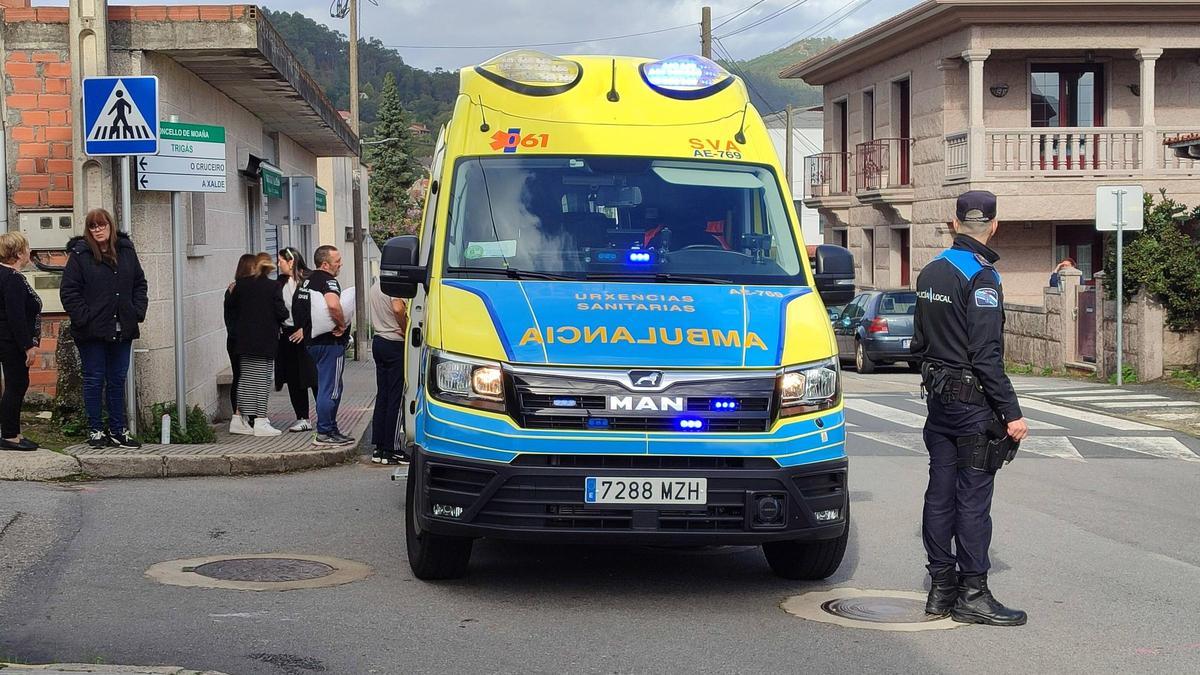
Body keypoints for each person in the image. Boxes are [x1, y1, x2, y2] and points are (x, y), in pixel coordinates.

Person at [910, 190, 1029, 627]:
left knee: (939, 495)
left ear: (954, 221)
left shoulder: (931, 271)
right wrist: (1012, 413)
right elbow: (986, 355)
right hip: (973, 405)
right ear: (994, 225)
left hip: (939, 402)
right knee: (973, 501)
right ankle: (973, 594)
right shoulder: (982, 277)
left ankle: (941, 589)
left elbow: (918, 343)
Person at [60, 208, 148, 450]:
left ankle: (118, 430)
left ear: (110, 226)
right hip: (92, 331)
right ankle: (96, 429)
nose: (97, 230)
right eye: (92, 226)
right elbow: (69, 291)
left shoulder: (126, 251)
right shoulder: (80, 255)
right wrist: (84, 318)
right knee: (94, 379)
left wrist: (136, 311)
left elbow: (140, 283)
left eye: (101, 225)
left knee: (117, 379)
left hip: (123, 327)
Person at [293, 245, 354, 447]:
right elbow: (334, 305)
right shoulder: (328, 281)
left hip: (312, 342)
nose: (340, 264)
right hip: (330, 343)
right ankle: (325, 432)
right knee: (331, 388)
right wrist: (341, 325)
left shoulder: (307, 282)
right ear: (325, 263)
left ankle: (330, 429)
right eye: (337, 261)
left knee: (328, 386)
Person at [226, 253, 288, 436]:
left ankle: (238, 419)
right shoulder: (272, 286)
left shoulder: (240, 286)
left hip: (243, 341)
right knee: (262, 380)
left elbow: (232, 308)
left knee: (245, 380)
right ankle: (260, 420)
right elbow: (281, 312)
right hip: (264, 341)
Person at [0, 232, 41, 451]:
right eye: (27, 248)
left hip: (5, 338)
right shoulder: (13, 278)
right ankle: (9, 436)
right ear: (17, 253)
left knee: (14, 385)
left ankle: (13, 432)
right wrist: (27, 346)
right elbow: (16, 316)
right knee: (16, 385)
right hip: (11, 341)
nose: (29, 252)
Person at [276, 247, 318, 433]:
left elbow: (318, 307)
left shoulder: (310, 280)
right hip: (287, 335)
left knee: (314, 377)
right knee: (294, 378)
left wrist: (305, 328)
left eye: (281, 261)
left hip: (308, 334)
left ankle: (325, 417)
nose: (278, 264)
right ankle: (302, 417)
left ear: (291, 261)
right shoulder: (279, 283)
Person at [369, 277, 407, 465]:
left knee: (382, 396)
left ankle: (379, 447)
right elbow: (398, 308)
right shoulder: (395, 284)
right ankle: (392, 448)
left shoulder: (376, 285)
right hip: (394, 342)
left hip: (378, 340)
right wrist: (406, 328)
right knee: (396, 397)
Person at [224, 254, 257, 434]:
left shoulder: (232, 289)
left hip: (233, 341)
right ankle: (247, 416)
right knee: (247, 378)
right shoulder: (243, 291)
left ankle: (239, 415)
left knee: (239, 377)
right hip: (245, 341)